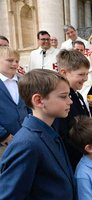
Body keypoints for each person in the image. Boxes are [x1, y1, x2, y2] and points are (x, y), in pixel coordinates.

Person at [0, 69, 76, 199]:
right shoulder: (26, 144)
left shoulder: (48, 130)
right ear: (39, 100)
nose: (70, 101)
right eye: (63, 96)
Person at [53, 49, 90, 172]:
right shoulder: (61, 100)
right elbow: (62, 135)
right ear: (64, 73)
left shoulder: (75, 94)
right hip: (72, 160)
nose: (85, 78)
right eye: (81, 74)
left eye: (87, 74)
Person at [0, 47, 30, 157]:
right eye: (10, 60)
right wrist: (3, 135)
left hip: (25, 135)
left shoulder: (22, 81)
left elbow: (29, 106)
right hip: (4, 142)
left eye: (16, 61)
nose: (14, 64)